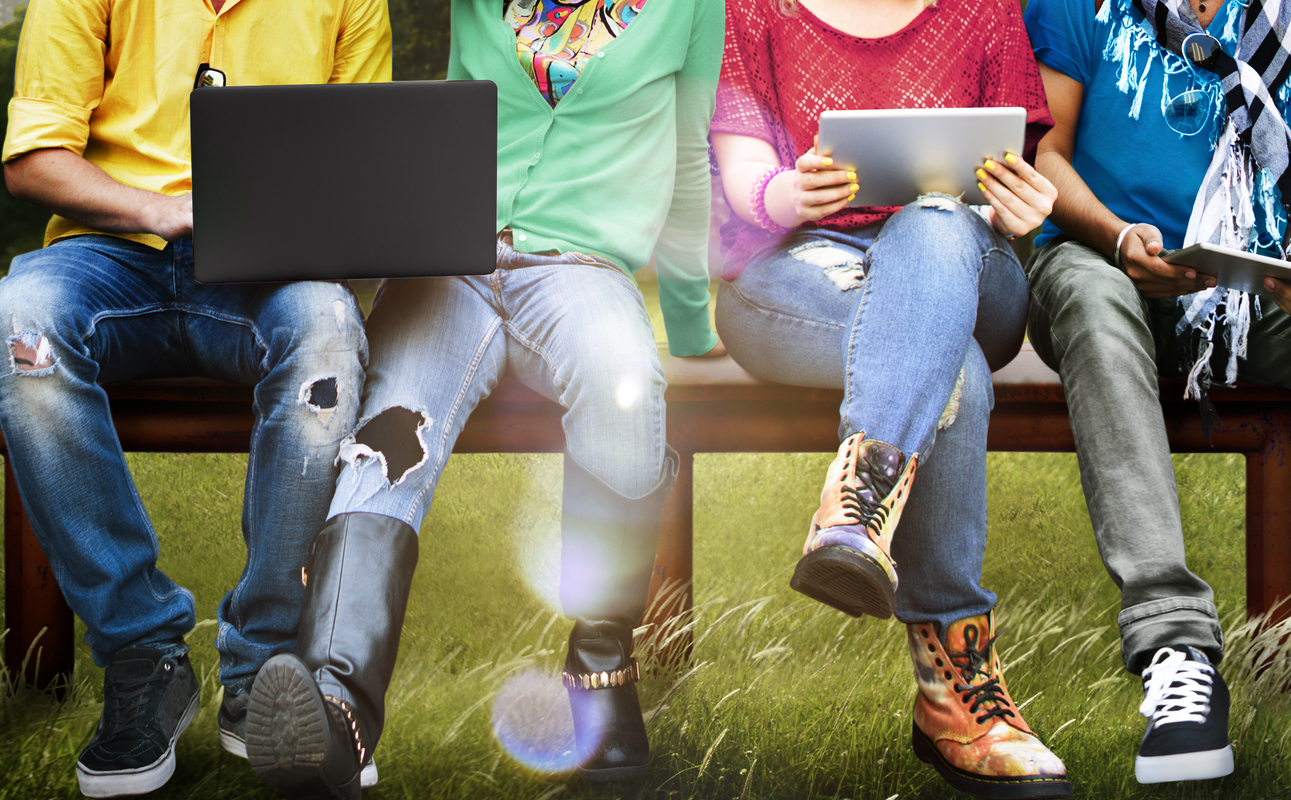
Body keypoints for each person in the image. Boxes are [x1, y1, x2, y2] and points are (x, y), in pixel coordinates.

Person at [243, 0, 726, 795]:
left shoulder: (687, 9)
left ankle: (601, 680)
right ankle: (335, 705)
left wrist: (685, 318)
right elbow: (440, 129)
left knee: (625, 389)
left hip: (581, 269)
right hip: (451, 264)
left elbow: (686, 155)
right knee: (390, 432)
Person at [0, 0, 388, 796]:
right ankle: (142, 652)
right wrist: (161, 211)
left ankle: (265, 661)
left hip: (266, 271)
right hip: (109, 255)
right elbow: (34, 156)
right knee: (17, 327)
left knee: (325, 328)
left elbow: (361, 163)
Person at [710, 0, 1073, 796]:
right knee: (956, 374)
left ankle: (855, 509)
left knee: (934, 219)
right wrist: (786, 193)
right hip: (799, 270)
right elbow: (743, 174)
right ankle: (956, 699)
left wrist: (1018, 210)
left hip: (967, 260)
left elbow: (1019, 167)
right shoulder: (754, 9)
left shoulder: (983, 9)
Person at [1023, 0, 1291, 783]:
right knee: (1089, 296)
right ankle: (1173, 649)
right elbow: (1044, 153)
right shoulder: (1078, 8)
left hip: (1249, 286)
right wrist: (1116, 235)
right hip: (1100, 261)